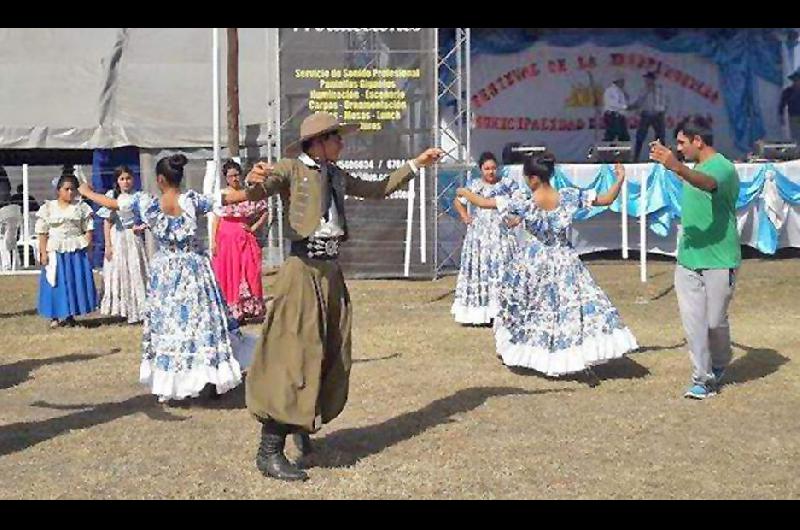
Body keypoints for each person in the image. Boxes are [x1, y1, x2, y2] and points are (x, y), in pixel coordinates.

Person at [226, 112, 443, 482]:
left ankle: (303, 422)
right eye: (337, 138)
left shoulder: (336, 175)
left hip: (329, 271)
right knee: (290, 354)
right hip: (301, 271)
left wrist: (415, 164)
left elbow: (378, 189)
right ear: (319, 141)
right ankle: (269, 449)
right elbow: (262, 186)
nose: (343, 144)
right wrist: (252, 177)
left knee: (328, 349)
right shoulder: (292, 168)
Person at [78, 154, 256, 404]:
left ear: (160, 179)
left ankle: (177, 381)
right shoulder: (192, 201)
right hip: (195, 268)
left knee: (171, 326)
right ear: (179, 177)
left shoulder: (146, 203)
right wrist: (260, 188)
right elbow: (230, 197)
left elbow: (113, 203)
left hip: (166, 274)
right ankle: (211, 376)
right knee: (202, 323)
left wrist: (86, 191)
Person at [456, 153, 638, 380]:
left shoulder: (524, 201)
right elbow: (606, 199)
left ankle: (534, 352)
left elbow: (484, 203)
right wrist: (619, 179)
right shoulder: (568, 195)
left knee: (526, 306)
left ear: (533, 178)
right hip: (565, 259)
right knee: (568, 308)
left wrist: (464, 193)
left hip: (535, 260)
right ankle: (568, 354)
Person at [649, 115, 741, 400]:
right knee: (694, 324)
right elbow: (690, 175)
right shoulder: (693, 167)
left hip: (720, 259)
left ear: (698, 141)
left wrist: (675, 165)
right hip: (687, 259)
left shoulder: (723, 167)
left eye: (682, 143)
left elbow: (706, 184)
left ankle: (720, 361)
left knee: (714, 323)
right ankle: (702, 379)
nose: (679, 149)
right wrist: (670, 163)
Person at [36, 175, 98, 328]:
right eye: (66, 189)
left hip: (75, 250)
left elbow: (88, 228)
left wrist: (88, 246)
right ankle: (54, 316)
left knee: (73, 281)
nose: (70, 192)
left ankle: (71, 314)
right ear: (59, 190)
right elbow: (42, 232)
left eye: (73, 189)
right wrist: (43, 252)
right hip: (55, 250)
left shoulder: (81, 207)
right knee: (54, 281)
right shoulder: (48, 208)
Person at [211, 159, 269, 323]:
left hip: (244, 236)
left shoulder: (248, 193)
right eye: (231, 176)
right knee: (231, 272)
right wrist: (213, 242)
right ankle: (233, 310)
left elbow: (264, 210)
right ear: (226, 178)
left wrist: (254, 227)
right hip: (226, 238)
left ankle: (250, 307)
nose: (235, 178)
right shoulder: (222, 195)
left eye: (237, 175)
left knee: (249, 270)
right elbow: (216, 218)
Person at [451, 152, 504, 325]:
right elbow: (458, 201)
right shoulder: (473, 186)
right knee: (480, 269)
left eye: (493, 168)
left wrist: (515, 218)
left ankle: (500, 310)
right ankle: (477, 312)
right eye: (487, 169)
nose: (491, 172)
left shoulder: (507, 185)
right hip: (479, 236)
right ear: (481, 169)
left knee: (500, 270)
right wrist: (465, 216)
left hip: (499, 234)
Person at [97, 166, 149, 324]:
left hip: (133, 238)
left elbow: (145, 218)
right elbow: (107, 222)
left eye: (128, 178)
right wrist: (108, 245)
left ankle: (138, 308)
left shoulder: (139, 196)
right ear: (117, 181)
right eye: (122, 179)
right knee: (118, 271)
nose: (126, 182)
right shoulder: (111, 196)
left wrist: (141, 227)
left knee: (134, 270)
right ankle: (120, 309)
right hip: (118, 237)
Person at [633, 72, 668, 161]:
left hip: (657, 114)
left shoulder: (659, 89)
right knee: (640, 136)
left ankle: (662, 157)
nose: (647, 81)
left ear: (653, 80)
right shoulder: (643, 90)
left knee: (660, 136)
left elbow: (664, 101)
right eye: (646, 79)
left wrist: (662, 110)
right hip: (646, 114)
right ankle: (636, 157)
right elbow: (639, 101)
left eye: (648, 79)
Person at [603, 74, 631, 142]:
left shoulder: (621, 91)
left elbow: (626, 101)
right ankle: (606, 149)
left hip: (620, 116)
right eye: (622, 81)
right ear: (617, 82)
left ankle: (623, 150)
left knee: (624, 136)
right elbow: (612, 103)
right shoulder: (610, 90)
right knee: (611, 134)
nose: (623, 83)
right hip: (612, 115)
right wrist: (624, 107)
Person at [779, 68, 800, 143]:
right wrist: (781, 116)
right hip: (793, 117)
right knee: (795, 135)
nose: (797, 82)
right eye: (796, 80)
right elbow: (782, 105)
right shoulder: (788, 91)